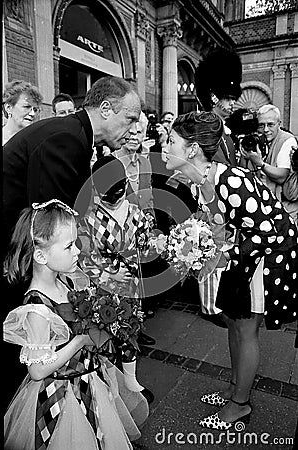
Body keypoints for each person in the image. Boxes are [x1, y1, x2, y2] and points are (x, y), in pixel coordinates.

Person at [2, 75, 141, 410]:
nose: (135, 128)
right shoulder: (67, 138)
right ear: (106, 109)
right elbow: (53, 226)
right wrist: (92, 279)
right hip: (13, 252)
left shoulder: (74, 134)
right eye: (131, 118)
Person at [163, 110, 297, 429]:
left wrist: (221, 250)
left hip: (265, 256)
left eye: (171, 141)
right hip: (244, 255)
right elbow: (215, 223)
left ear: (192, 149)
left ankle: (240, 404)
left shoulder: (228, 179)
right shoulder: (202, 178)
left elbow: (268, 231)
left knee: (246, 328)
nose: (165, 147)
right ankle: (237, 386)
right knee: (233, 322)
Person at [3, 199, 148, 449]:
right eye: (69, 246)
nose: (77, 252)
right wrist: (81, 340)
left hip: (89, 379)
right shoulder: (37, 307)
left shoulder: (66, 281)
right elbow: (37, 370)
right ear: (41, 254)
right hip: (62, 394)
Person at [76, 155, 155, 403]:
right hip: (102, 290)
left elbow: (146, 244)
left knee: (130, 332)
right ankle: (108, 388)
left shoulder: (134, 210)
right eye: (110, 195)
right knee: (105, 338)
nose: (116, 198)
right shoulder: (87, 218)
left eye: (120, 192)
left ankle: (130, 382)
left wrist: (157, 244)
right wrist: (108, 273)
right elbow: (82, 258)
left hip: (131, 285)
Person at [114, 112, 158, 329]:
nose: (133, 136)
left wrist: (149, 221)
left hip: (140, 231)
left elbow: (148, 193)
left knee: (140, 279)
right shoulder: (111, 161)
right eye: (129, 131)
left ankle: (135, 327)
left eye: (138, 132)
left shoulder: (145, 162)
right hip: (117, 236)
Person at [240, 104, 298, 226]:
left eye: (270, 124)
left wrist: (259, 163)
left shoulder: (287, 140)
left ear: (279, 124)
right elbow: (243, 172)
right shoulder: (258, 141)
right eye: (261, 125)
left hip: (284, 209)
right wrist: (246, 154)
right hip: (262, 208)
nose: (266, 129)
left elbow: (282, 176)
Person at [195, 47, 242, 166]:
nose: (232, 103)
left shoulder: (222, 128)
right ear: (214, 98)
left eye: (233, 99)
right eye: (227, 98)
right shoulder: (208, 129)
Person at [2, 79, 43, 145]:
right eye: (26, 107)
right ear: (8, 108)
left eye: (35, 109)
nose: (33, 114)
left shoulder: (37, 142)